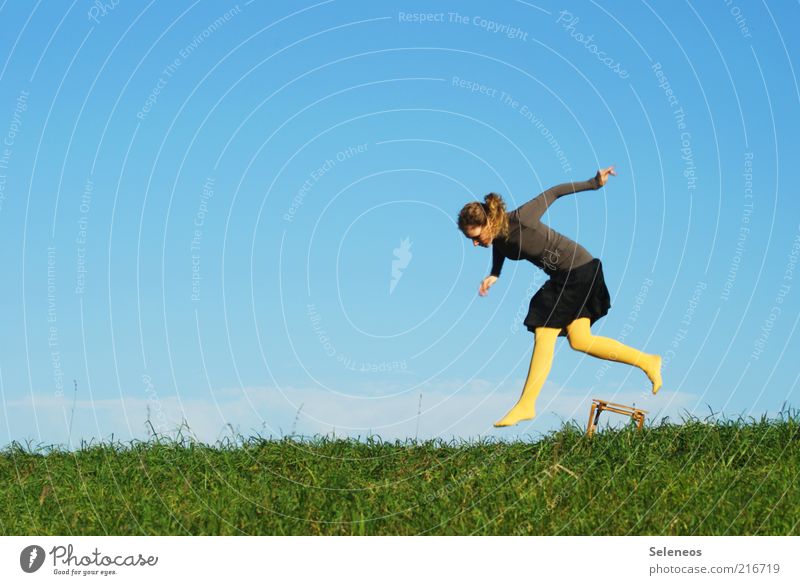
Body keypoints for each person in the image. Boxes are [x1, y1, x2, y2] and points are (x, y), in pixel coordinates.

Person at [457, 167, 662, 427]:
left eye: (475, 237)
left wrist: (594, 183)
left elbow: (554, 192)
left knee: (544, 328)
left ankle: (526, 404)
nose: (474, 243)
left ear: (488, 223)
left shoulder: (522, 217)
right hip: (569, 275)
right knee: (580, 340)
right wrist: (494, 274)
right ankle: (648, 362)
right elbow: (500, 248)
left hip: (578, 270)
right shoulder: (498, 239)